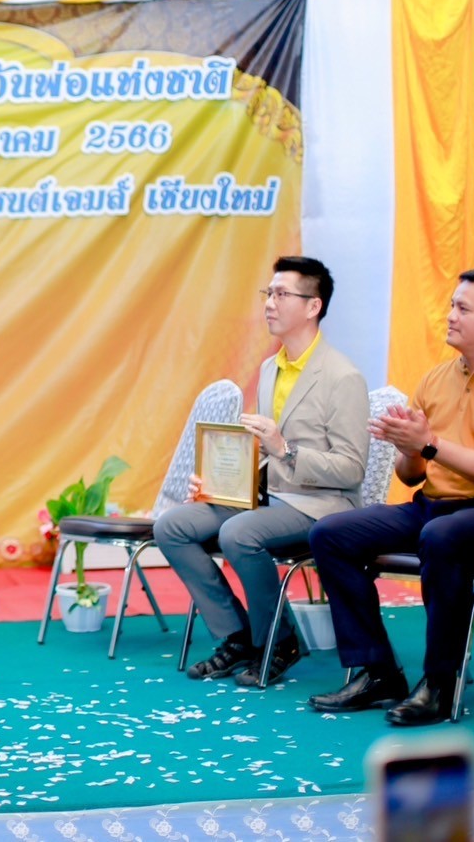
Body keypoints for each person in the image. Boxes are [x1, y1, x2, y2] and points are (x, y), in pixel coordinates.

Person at [308, 269, 474, 726]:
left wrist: (430, 445)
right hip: (436, 508)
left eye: (463, 308)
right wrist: (409, 448)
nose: (450, 316)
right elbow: (411, 474)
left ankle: (441, 684)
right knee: (330, 534)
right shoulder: (436, 378)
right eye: (451, 306)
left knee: (443, 536)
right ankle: (377, 672)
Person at [155, 256, 370, 687]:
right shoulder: (271, 368)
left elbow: (351, 469)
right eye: (268, 293)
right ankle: (237, 636)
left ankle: (279, 640)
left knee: (239, 533)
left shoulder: (343, 376)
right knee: (172, 526)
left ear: (313, 306)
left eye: (281, 294)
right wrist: (219, 485)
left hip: (320, 505)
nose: (270, 303)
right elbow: (265, 453)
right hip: (270, 497)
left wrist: (285, 448)